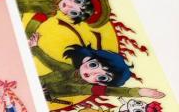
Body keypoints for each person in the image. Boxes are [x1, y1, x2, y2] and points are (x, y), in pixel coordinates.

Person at [29, 33, 165, 103]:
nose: (92, 73)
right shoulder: (66, 68)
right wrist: (34, 47)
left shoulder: (86, 88)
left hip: (39, 98)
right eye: (94, 65)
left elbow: (110, 91)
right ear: (87, 59)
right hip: (29, 83)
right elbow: (48, 61)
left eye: (101, 77)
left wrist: (139, 92)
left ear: (101, 82)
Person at [14, 0, 122, 36]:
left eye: (74, 12)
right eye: (77, 2)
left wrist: (28, 36)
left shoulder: (50, 12)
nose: (69, 6)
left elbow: (34, 23)